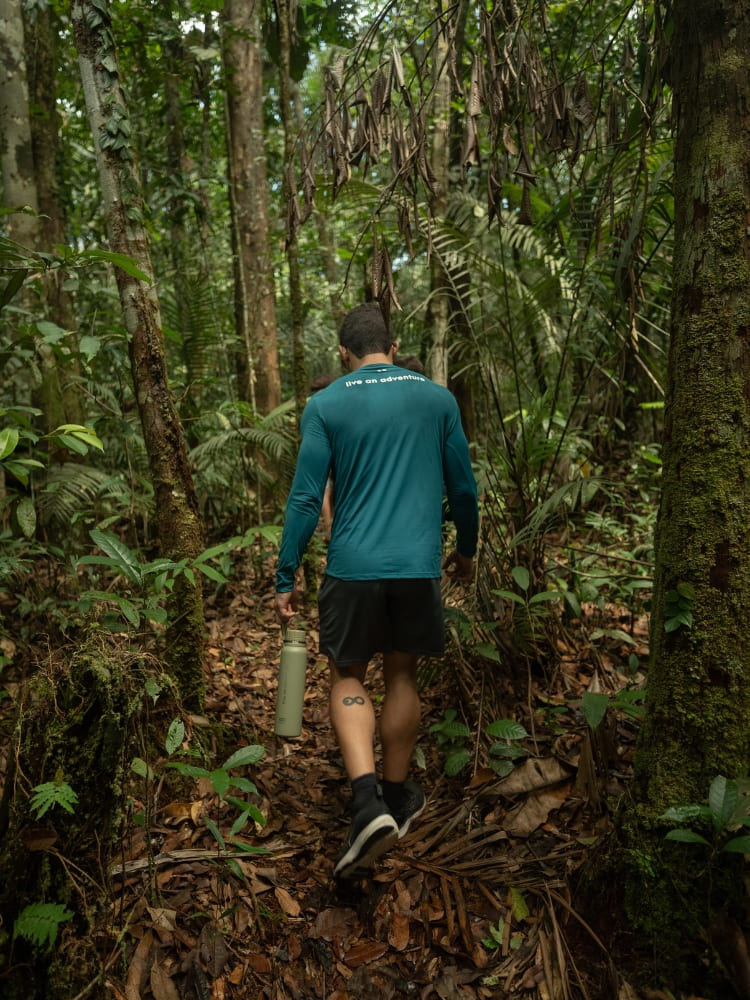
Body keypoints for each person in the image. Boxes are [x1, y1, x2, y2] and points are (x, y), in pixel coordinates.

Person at [274, 302, 479, 878]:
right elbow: (464, 489)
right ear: (392, 344)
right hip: (416, 568)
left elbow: (306, 499)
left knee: (346, 675)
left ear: (343, 354)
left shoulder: (326, 403)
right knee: (402, 674)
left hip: (352, 569)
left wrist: (284, 575)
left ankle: (365, 802)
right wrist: (465, 551)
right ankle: (394, 797)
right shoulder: (436, 399)